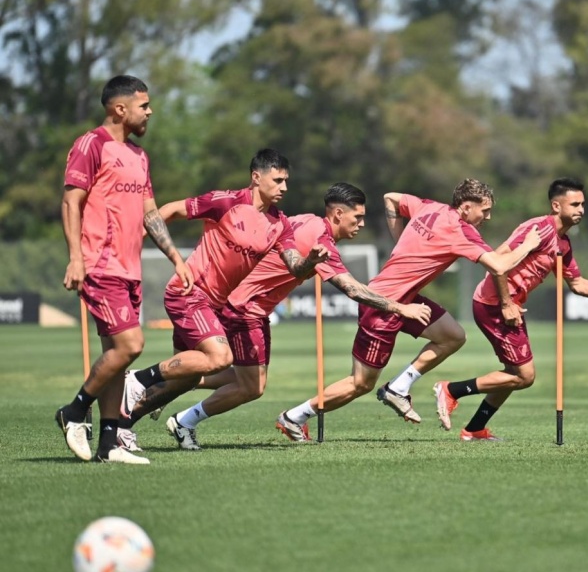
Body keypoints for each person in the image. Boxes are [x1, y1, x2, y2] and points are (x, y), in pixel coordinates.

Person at [123, 183, 431, 449]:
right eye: (358, 217)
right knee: (250, 387)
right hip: (244, 310)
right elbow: (352, 289)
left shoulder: (305, 221)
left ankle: (172, 391)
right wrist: (400, 308)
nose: (361, 224)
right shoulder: (320, 240)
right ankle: (178, 414)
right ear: (338, 214)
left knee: (240, 379)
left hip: (247, 308)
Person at [275, 178, 542, 440]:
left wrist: (400, 241)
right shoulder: (461, 230)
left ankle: (398, 387)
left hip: (405, 298)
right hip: (382, 305)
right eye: (485, 210)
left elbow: (390, 198)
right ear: (466, 206)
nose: (489, 217)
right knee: (360, 383)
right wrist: (528, 246)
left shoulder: (429, 207)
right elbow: (498, 266)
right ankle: (294, 417)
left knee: (453, 336)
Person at [114, 149, 328, 450]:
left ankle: (121, 427)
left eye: (286, 181)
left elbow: (294, 265)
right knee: (221, 359)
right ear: (256, 177)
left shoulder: (280, 224)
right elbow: (169, 211)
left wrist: (311, 262)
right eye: (278, 180)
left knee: (185, 378)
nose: (284, 188)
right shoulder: (225, 201)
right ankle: (137, 379)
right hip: (188, 293)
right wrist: (135, 242)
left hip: (211, 305)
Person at [433, 178, 588, 440]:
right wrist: (506, 303)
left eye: (583, 204)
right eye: (575, 204)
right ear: (556, 206)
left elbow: (577, 284)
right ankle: (451, 390)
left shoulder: (564, 243)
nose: (581, 209)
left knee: (513, 373)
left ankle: (475, 429)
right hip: (494, 305)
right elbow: (497, 262)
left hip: (509, 306)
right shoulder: (538, 229)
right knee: (524, 376)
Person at [55, 75, 193, 465]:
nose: (150, 111)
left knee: (118, 355)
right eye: (144, 105)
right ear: (120, 109)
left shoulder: (139, 156)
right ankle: (75, 410)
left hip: (129, 269)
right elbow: (71, 202)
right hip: (99, 264)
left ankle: (108, 445)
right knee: (131, 345)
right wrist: (76, 257)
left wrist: (176, 258)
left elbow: (151, 214)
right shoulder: (91, 144)